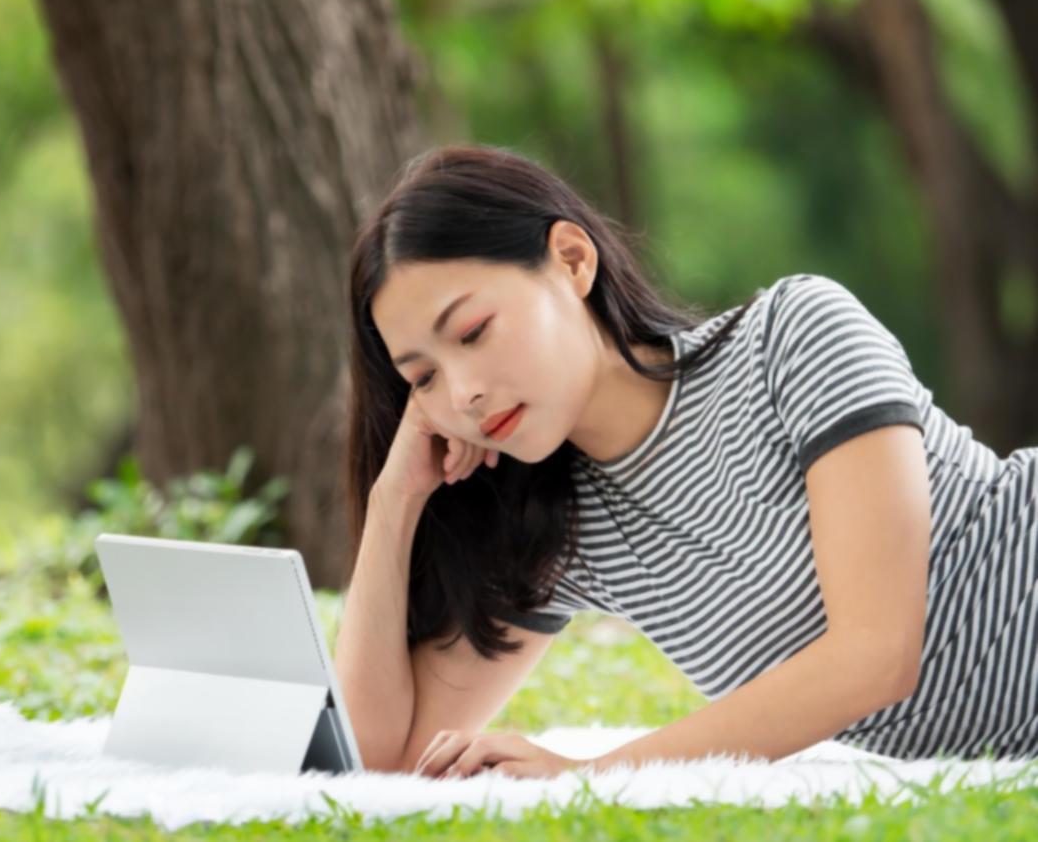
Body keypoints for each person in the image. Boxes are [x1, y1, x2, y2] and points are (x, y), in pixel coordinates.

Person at [332, 143, 1038, 780]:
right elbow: (385, 756)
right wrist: (397, 497)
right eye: (421, 378)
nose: (463, 393)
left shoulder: (792, 338)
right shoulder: (561, 528)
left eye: (472, 331)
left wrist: (587, 774)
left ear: (572, 260)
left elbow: (875, 657)